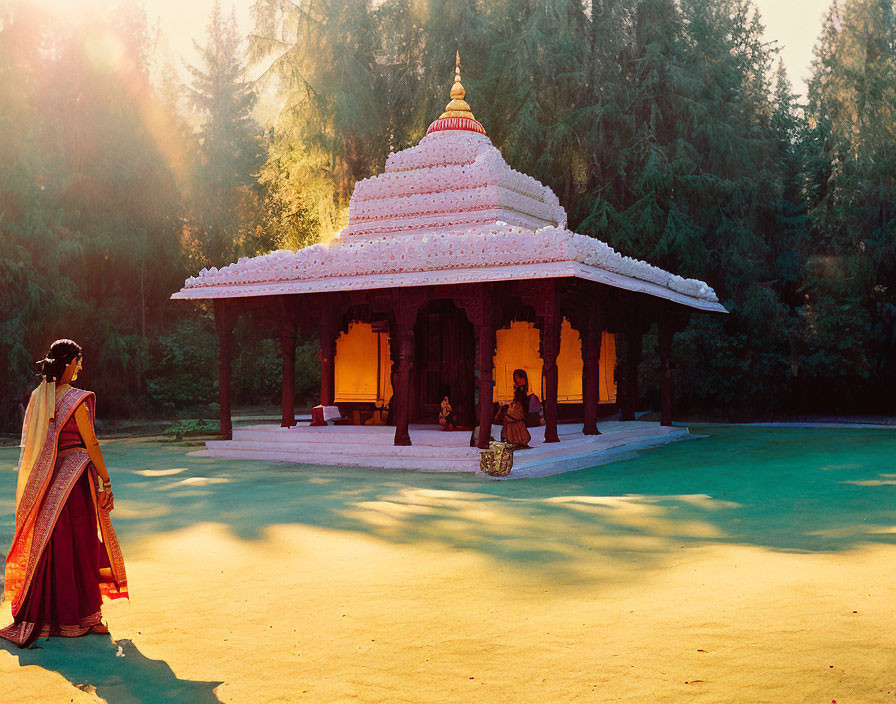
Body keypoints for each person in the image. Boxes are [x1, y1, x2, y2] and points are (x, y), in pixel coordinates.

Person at [1, 339, 127, 648]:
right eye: (79, 361)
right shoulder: (75, 399)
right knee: (81, 544)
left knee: (55, 547)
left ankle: (53, 615)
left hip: (50, 480)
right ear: (68, 363)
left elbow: (35, 446)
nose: (81, 367)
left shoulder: (39, 398)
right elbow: (91, 442)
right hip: (74, 481)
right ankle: (86, 618)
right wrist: (106, 480)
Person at [498, 385, 531, 450]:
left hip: (516, 422)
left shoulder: (518, 404)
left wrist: (508, 416)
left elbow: (517, 414)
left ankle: (518, 442)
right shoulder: (512, 403)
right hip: (512, 423)